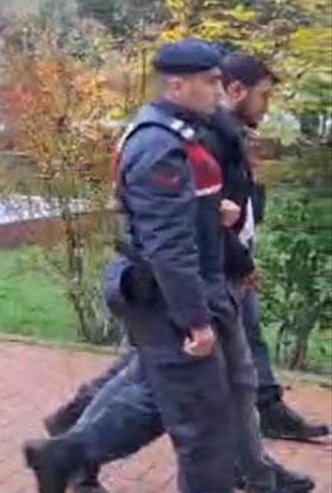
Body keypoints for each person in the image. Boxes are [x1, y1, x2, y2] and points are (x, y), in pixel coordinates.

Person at [30, 52, 315, 493]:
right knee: (201, 427)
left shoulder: (190, 135)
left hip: (200, 290)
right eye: (210, 81)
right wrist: (196, 320)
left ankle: (68, 452)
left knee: (197, 404)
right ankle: (69, 451)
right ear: (177, 86)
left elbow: (188, 217)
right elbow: (168, 244)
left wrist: (216, 219)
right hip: (172, 297)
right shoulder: (158, 144)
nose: (219, 91)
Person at [220, 54, 328, 442]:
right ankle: (77, 431)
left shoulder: (236, 137)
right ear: (235, 90)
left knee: (249, 342)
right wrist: (240, 260)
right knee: (147, 375)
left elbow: (242, 206)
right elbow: (209, 216)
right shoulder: (215, 137)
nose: (266, 107)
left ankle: (268, 415)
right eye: (262, 96)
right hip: (218, 267)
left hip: (234, 261)